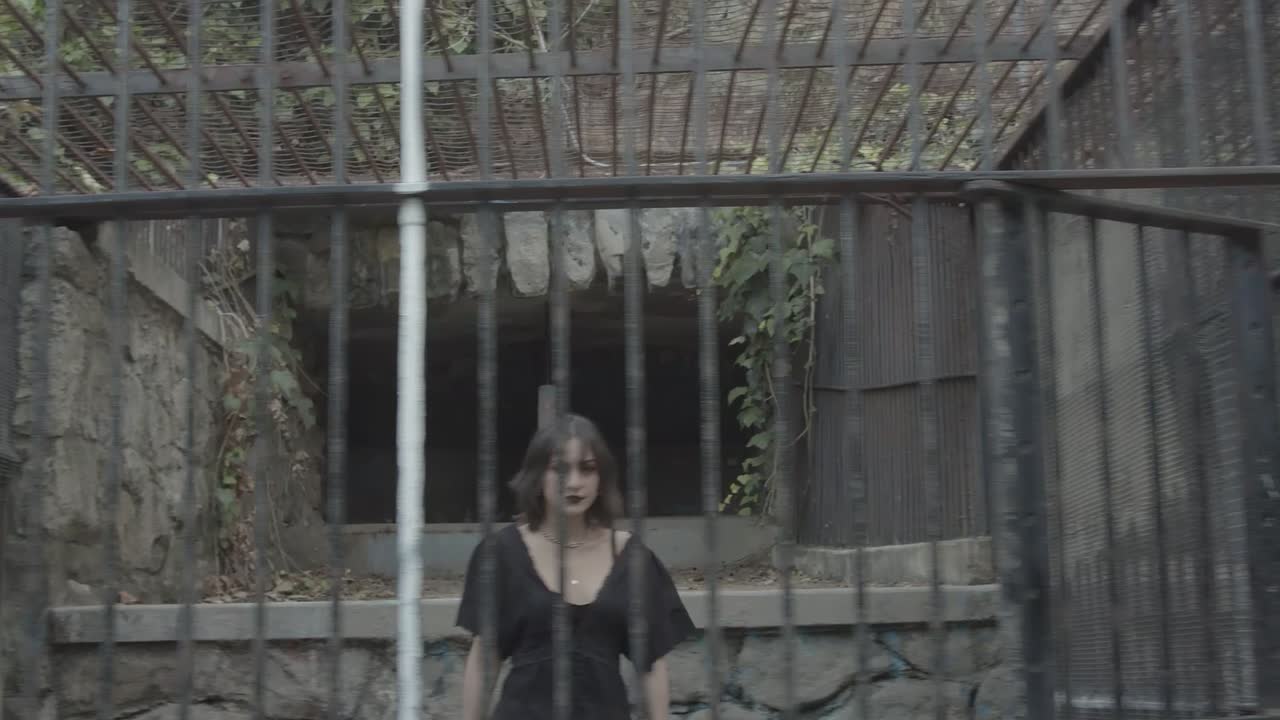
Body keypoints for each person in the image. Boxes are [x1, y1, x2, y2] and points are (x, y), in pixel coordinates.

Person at [457, 413, 696, 720]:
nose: (574, 482)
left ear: (601, 479)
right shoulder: (501, 554)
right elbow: (484, 659)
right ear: (537, 476)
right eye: (559, 469)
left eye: (587, 469)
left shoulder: (633, 559)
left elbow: (651, 666)